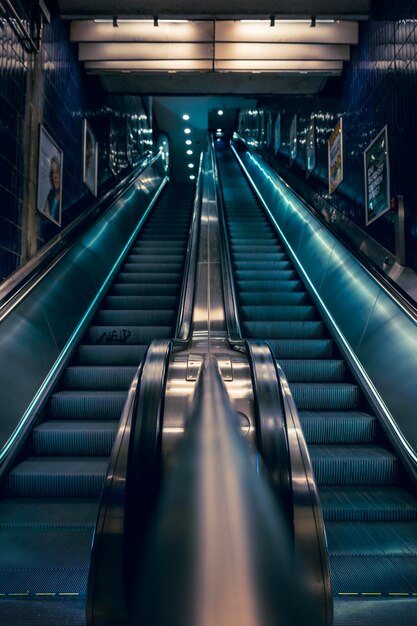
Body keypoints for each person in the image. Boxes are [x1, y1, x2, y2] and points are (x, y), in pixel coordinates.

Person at [44, 155, 61, 220]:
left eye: (57, 172)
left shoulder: (65, 200)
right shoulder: (49, 196)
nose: (55, 177)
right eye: (53, 173)